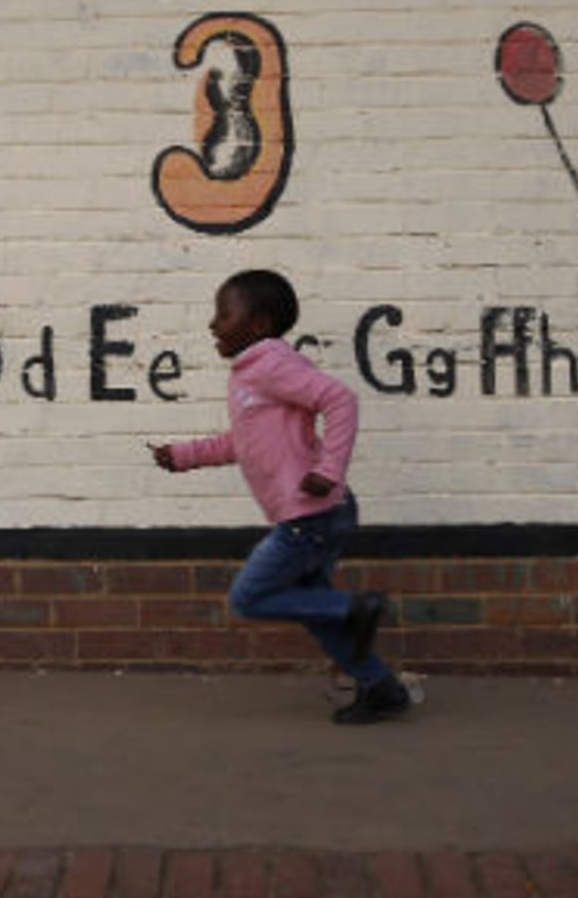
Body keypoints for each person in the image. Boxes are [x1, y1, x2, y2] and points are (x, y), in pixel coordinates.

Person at [149, 269, 413, 725]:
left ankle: (354, 608)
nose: (213, 324)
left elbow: (340, 400)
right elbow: (241, 443)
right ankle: (380, 687)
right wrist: (183, 456)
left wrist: (329, 470)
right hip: (318, 515)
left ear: (258, 325)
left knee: (249, 597)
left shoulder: (270, 364)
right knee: (313, 609)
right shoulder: (250, 375)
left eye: (224, 314)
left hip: (310, 517)